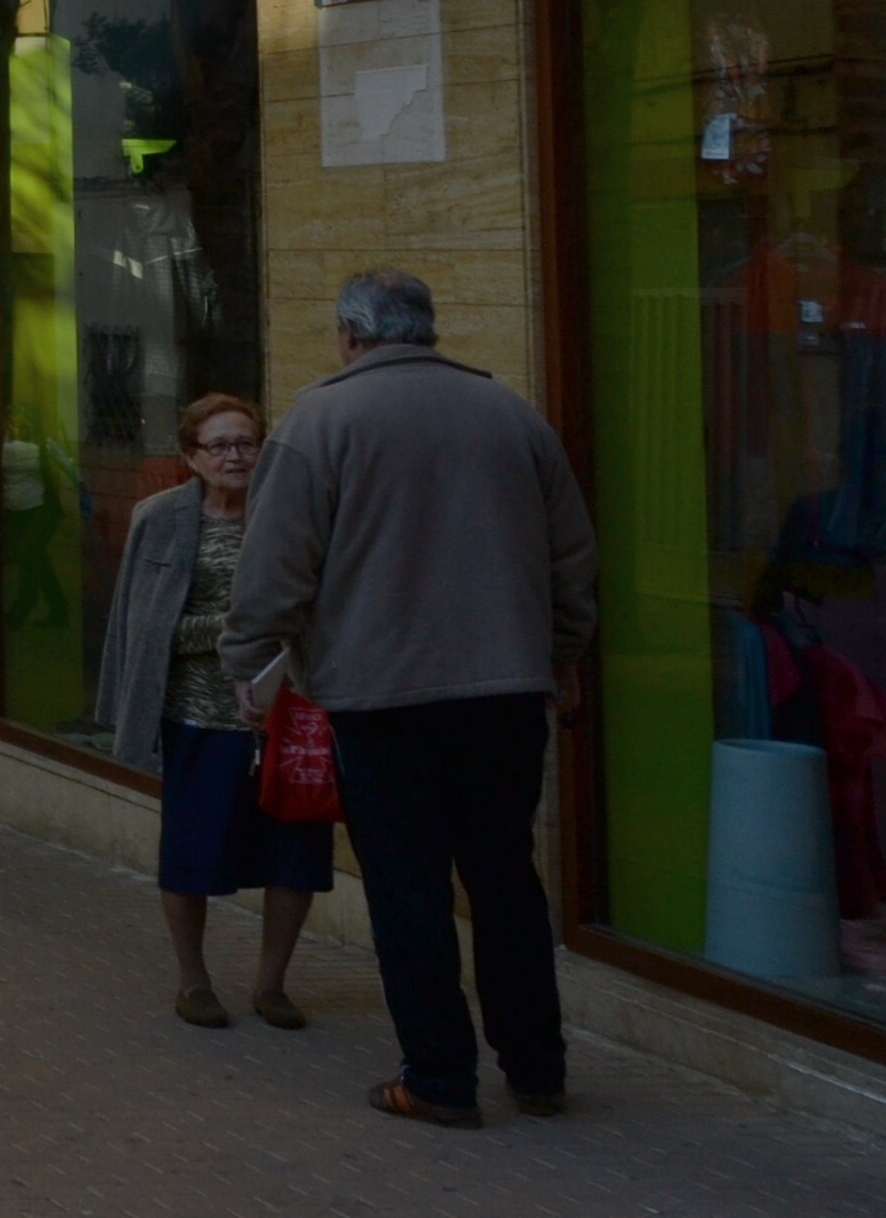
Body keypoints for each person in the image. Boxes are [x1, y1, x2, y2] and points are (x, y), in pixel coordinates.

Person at [226, 269, 598, 1129]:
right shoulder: (514, 416)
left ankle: (437, 1076)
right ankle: (537, 1067)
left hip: (379, 693)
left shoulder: (321, 418)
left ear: (348, 335)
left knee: (408, 884)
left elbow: (275, 563)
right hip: (504, 690)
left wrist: (247, 659)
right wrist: (564, 655)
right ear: (426, 330)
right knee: (504, 875)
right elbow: (570, 559)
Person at [91, 390, 328, 1030]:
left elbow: (322, 609)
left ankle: (271, 985)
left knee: (293, 854)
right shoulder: (160, 519)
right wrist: (234, 629)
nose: (234, 456)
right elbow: (145, 628)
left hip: (286, 717)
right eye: (218, 445)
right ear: (190, 456)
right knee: (192, 853)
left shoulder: (292, 514)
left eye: (246, 443)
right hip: (198, 716)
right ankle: (193, 981)